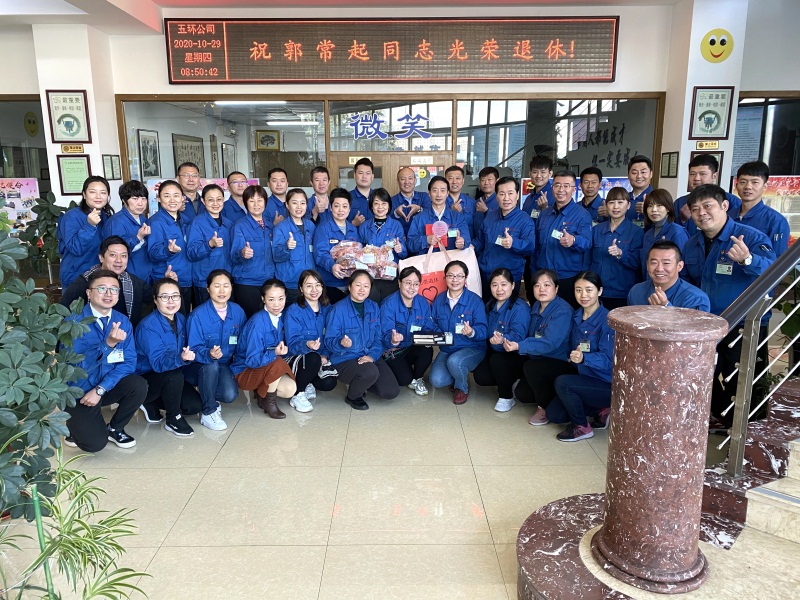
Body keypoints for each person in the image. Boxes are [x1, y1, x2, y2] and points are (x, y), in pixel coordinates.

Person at [682, 184, 776, 425]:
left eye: (707, 206)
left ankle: (749, 431)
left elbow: (772, 273)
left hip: (743, 324)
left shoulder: (750, 237)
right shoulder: (691, 244)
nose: (701, 213)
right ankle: (721, 419)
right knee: (704, 373)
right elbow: (688, 282)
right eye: (695, 209)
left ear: (724, 206)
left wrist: (747, 259)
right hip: (706, 324)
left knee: (742, 379)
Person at [63, 269, 147, 452]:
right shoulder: (73, 322)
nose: (109, 294)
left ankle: (115, 428)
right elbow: (74, 366)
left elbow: (128, 363)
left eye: (114, 289)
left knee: (138, 385)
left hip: (104, 386)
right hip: (79, 389)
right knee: (94, 444)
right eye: (102, 288)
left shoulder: (122, 321)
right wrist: (108, 344)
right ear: (89, 293)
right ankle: (74, 426)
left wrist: (101, 389)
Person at [547, 271, 615, 442]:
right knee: (555, 414)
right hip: (584, 378)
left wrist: (585, 358)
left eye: (589, 290)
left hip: (605, 383)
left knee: (563, 383)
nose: (583, 295)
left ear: (599, 291)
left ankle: (582, 427)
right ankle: (600, 410)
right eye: (578, 290)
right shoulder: (576, 315)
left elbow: (609, 360)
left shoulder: (608, 320)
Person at [135, 278, 202, 436]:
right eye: (164, 297)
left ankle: (151, 403)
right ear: (155, 300)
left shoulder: (181, 319)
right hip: (147, 378)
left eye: (175, 296)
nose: (171, 301)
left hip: (171, 373)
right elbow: (158, 363)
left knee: (193, 406)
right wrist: (181, 358)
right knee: (174, 375)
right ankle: (173, 418)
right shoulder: (148, 326)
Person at [324, 270, 399, 410]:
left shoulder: (373, 307)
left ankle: (360, 382)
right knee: (370, 372)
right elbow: (328, 341)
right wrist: (340, 342)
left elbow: (378, 338)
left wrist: (372, 356)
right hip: (345, 358)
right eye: (358, 285)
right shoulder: (337, 310)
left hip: (369, 355)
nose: (362, 289)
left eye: (366, 286)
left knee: (390, 392)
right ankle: (353, 396)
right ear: (349, 286)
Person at [60, 235, 170, 329]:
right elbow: (62, 312)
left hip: (126, 339)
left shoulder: (133, 282)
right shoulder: (85, 282)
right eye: (113, 255)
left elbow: (155, 296)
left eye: (123, 256)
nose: (119, 260)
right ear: (101, 258)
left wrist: (167, 283)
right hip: (91, 340)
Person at [186, 269, 245, 430]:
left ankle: (208, 394)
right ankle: (208, 411)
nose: (222, 290)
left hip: (223, 364)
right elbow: (193, 349)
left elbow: (242, 344)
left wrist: (237, 369)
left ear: (231, 288)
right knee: (210, 364)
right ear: (208, 288)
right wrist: (208, 354)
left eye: (226, 286)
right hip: (197, 365)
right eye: (217, 286)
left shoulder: (238, 312)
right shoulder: (197, 316)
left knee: (230, 395)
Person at [512, 269, 574, 425]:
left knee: (531, 367)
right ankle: (554, 394)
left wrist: (520, 345)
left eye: (547, 285)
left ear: (556, 288)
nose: (542, 289)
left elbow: (550, 343)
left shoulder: (563, 311)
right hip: (541, 360)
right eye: (537, 286)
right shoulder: (536, 306)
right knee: (522, 394)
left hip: (560, 362)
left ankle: (544, 407)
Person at [231, 279, 297, 419]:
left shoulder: (282, 317)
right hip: (245, 370)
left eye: (281, 298)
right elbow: (251, 360)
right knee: (277, 361)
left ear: (286, 297)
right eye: (271, 299)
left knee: (289, 389)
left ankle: (261, 392)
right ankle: (269, 402)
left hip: (266, 367)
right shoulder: (258, 322)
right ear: (263, 299)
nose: (277, 304)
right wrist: (274, 353)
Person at [430, 260, 488, 404]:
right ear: (445, 278)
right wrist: (437, 336)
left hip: (472, 348)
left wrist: (472, 332)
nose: (455, 280)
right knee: (437, 380)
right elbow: (433, 324)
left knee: (455, 361)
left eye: (459, 276)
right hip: (448, 348)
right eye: (450, 275)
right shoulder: (439, 300)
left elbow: (483, 330)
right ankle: (457, 374)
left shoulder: (475, 301)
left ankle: (461, 388)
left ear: (465, 278)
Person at [473, 268, 531, 412]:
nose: (499, 289)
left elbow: (518, 337)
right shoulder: (490, 305)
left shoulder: (520, 308)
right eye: (495, 285)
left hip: (515, 353)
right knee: (481, 377)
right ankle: (510, 379)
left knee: (498, 360)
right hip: (495, 350)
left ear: (512, 285)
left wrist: (502, 340)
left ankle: (506, 397)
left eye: (504, 284)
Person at [534, 170, 592, 309]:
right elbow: (537, 246)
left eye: (566, 186)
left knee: (567, 313)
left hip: (567, 277)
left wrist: (574, 240)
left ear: (574, 189)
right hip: (544, 276)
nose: (561, 190)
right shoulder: (544, 214)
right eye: (557, 185)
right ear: (552, 187)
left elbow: (587, 242)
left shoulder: (582, 214)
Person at [283, 270, 339, 412]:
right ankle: (298, 394)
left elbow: (330, 336)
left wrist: (325, 355)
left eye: (318, 285)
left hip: (319, 358)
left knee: (328, 383)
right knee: (313, 357)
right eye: (308, 286)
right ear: (301, 289)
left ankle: (307, 381)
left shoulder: (328, 308)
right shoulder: (293, 311)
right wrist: (307, 344)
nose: (314, 290)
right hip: (295, 356)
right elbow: (292, 344)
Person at [379, 266, 438, 395]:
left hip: (412, 346)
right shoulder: (388, 304)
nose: (412, 287)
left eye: (416, 284)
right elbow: (384, 333)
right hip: (394, 350)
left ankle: (418, 378)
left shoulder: (422, 303)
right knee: (404, 380)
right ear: (399, 282)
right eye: (408, 283)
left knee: (426, 349)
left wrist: (432, 337)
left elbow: (428, 326)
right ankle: (409, 376)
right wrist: (393, 340)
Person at [475, 176, 536, 298]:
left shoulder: (525, 220)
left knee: (507, 309)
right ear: (496, 196)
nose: (506, 198)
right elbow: (480, 241)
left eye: (510, 193)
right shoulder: (490, 216)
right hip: (487, 274)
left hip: (509, 277)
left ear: (517, 195)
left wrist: (513, 243)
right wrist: (468, 245)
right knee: (487, 307)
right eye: (502, 194)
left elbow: (530, 247)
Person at [588, 186, 643, 309]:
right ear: (606, 206)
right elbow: (588, 259)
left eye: (620, 202)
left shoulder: (636, 232)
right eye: (611, 202)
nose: (616, 207)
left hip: (621, 293)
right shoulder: (596, 230)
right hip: (597, 291)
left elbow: (638, 263)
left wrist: (621, 254)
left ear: (628, 205)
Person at [57, 175, 114, 287]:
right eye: (93, 192)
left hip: (100, 276)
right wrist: (90, 225)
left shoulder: (106, 216)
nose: (98, 196)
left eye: (103, 192)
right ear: (84, 194)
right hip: (77, 276)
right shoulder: (71, 216)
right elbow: (75, 248)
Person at [147, 179, 193, 314]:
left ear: (183, 198)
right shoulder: (155, 222)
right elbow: (153, 253)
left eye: (176, 195)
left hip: (186, 278)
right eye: (167, 196)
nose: (172, 200)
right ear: (158, 198)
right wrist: (168, 250)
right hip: (167, 279)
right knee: (170, 319)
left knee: (184, 317)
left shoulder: (185, 220)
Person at [230, 184, 275, 318]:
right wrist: (242, 253)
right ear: (245, 203)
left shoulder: (270, 225)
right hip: (247, 282)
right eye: (251, 201)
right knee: (251, 319)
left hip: (268, 281)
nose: (256, 204)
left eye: (260, 200)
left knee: (267, 319)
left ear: (265, 202)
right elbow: (233, 255)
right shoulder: (240, 225)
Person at [628, 240, 710, 311]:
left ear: (679, 266)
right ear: (647, 265)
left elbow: (693, 325)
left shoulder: (695, 298)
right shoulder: (636, 291)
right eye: (654, 263)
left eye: (666, 263)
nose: (659, 269)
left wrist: (666, 308)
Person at [187, 184, 234, 305]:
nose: (215, 203)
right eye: (210, 200)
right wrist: (209, 244)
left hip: (226, 280)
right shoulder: (197, 223)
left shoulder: (229, 224)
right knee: (205, 313)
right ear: (203, 201)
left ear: (223, 200)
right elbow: (191, 253)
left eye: (219, 199)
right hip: (205, 281)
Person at [358, 187, 407, 303]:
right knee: (370, 305)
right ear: (371, 206)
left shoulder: (396, 225)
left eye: (384, 203)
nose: (380, 207)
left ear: (389, 206)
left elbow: (404, 253)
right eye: (376, 203)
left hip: (390, 276)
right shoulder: (364, 226)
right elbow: (358, 252)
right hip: (370, 276)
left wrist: (400, 249)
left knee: (389, 305)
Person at [312, 188, 361, 303]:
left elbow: (358, 253)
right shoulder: (323, 228)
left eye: (345, 206)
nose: (340, 210)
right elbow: (320, 253)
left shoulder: (353, 229)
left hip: (350, 284)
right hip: (329, 284)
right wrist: (332, 266)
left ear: (349, 209)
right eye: (336, 206)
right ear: (331, 207)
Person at [734, 161, 790, 257]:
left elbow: (778, 259)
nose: (748, 187)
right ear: (736, 185)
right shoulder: (727, 216)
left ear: (764, 186)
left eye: (755, 182)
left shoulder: (776, 220)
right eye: (743, 182)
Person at [102, 179, 152, 283]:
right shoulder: (116, 222)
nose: (140, 203)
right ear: (124, 201)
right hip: (127, 278)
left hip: (145, 276)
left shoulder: (144, 219)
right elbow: (115, 252)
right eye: (135, 199)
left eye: (143, 199)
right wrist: (138, 237)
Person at [273, 188, 316, 305]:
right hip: (290, 283)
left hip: (309, 282)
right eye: (294, 203)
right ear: (287, 205)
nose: (299, 207)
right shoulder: (281, 227)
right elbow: (276, 256)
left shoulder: (310, 226)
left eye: (302, 203)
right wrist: (286, 247)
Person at [407, 176, 470, 255]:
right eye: (435, 190)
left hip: (452, 260)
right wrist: (425, 240)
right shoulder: (419, 218)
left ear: (447, 193)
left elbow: (467, 239)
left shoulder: (457, 217)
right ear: (429, 193)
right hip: (427, 261)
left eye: (442, 190)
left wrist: (462, 242)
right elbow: (410, 245)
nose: (439, 195)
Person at [674, 153, 741, 226]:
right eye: (692, 174)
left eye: (702, 174)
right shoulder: (679, 203)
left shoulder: (732, 201)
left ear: (714, 176)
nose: (696, 178)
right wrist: (682, 219)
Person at [640, 189, 688, 278]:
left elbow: (683, 269)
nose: (654, 210)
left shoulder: (677, 233)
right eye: (650, 206)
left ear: (668, 208)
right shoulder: (648, 234)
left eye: (659, 205)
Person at [391, 167, 431, 235]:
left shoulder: (424, 197)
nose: (407, 182)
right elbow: (386, 221)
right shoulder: (391, 200)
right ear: (397, 181)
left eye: (410, 178)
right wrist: (396, 213)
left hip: (421, 239)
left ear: (415, 180)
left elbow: (431, 215)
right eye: (403, 179)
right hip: (400, 239)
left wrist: (419, 209)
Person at [444, 165, 476, 238]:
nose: (454, 182)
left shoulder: (472, 202)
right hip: (447, 243)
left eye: (458, 178)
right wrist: (451, 212)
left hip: (468, 243)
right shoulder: (440, 202)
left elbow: (478, 228)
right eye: (450, 178)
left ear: (463, 181)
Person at [521, 155, 554, 220]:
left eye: (543, 172)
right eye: (535, 172)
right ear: (530, 174)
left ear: (550, 174)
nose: (538, 176)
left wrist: (545, 209)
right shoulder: (528, 198)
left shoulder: (555, 197)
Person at [627, 155, 653, 226]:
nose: (639, 176)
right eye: (634, 173)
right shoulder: (623, 198)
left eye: (643, 172)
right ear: (628, 175)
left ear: (651, 174)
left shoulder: (659, 198)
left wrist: (650, 212)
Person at [472, 166, 499, 234]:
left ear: (497, 181)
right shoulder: (478, 201)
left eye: (490, 179)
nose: (486, 183)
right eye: (483, 180)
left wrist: (486, 211)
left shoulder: (501, 201)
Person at [349, 157, 373, 226]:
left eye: (368, 173)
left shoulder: (379, 197)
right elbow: (338, 224)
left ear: (372, 176)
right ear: (354, 175)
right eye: (360, 173)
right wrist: (352, 224)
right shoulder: (347, 197)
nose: (364, 176)